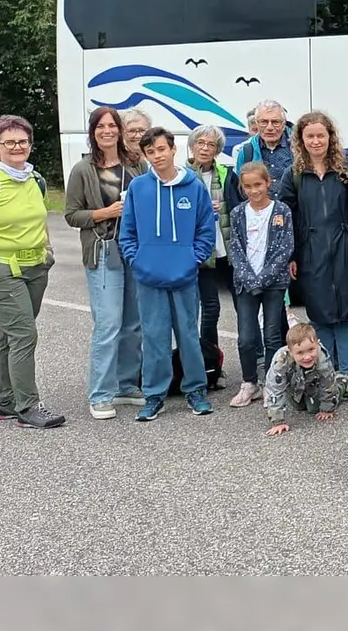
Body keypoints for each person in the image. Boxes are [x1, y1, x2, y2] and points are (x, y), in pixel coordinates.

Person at [0, 114, 63, 429]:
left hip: (35, 267)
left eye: (22, 141)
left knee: (11, 334)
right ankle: (27, 406)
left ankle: (5, 402)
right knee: (24, 334)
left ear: (30, 145)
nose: (17, 146)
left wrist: (46, 249)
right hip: (1, 271)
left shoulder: (35, 180)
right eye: (10, 142)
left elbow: (39, 218)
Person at [120, 127, 218, 422]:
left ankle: (196, 390)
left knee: (189, 335)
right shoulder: (139, 187)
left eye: (161, 149)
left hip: (185, 275)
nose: (157, 156)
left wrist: (194, 258)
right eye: (150, 152)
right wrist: (136, 260)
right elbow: (128, 232)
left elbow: (205, 228)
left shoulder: (194, 186)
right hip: (149, 276)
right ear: (145, 155)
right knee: (154, 338)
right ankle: (154, 395)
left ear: (173, 149)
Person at [278, 112, 348, 395]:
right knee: (320, 312)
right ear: (301, 140)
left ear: (330, 137)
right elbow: (285, 216)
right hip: (311, 251)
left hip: (346, 247)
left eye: (321, 135)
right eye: (310, 136)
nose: (316, 141)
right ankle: (326, 373)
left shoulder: (347, 169)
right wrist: (290, 255)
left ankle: (347, 376)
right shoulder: (293, 174)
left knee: (347, 312)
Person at [65, 106, 147, 420]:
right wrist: (106, 213)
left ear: (121, 130)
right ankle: (100, 393)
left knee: (133, 323)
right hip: (102, 251)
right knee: (108, 324)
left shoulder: (136, 163)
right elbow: (72, 214)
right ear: (93, 132)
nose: (108, 131)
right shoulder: (83, 169)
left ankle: (126, 385)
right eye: (101, 126)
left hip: (133, 251)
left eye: (113, 125)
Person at [227, 161, 294, 408]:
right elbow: (235, 249)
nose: (254, 191)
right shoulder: (237, 213)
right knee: (246, 337)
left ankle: (271, 384)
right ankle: (249, 383)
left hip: (274, 283)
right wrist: (250, 279)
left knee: (272, 334)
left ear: (268, 183)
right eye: (248, 187)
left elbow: (285, 248)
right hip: (246, 284)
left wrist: (264, 278)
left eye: (258, 185)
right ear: (242, 188)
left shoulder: (281, 211)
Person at [187, 125, 232, 392]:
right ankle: (202, 364)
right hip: (198, 254)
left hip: (223, 250)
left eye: (211, 144)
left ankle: (212, 361)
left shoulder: (224, 174)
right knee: (202, 310)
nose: (205, 148)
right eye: (201, 143)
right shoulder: (182, 175)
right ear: (192, 146)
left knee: (220, 310)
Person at [263, 323, 341, 436]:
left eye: (311, 349)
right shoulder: (281, 361)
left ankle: (343, 384)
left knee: (314, 409)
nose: (307, 357)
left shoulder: (321, 356)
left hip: (314, 384)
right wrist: (277, 421)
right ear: (290, 351)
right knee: (298, 407)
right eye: (300, 353)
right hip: (294, 385)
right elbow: (274, 389)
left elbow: (328, 383)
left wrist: (327, 408)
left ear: (317, 344)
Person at [225, 100, 294, 205]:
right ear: (257, 123)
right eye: (264, 122)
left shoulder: (297, 149)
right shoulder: (246, 151)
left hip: (293, 215)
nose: (269, 127)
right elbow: (241, 189)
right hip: (260, 216)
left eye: (275, 122)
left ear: (284, 124)